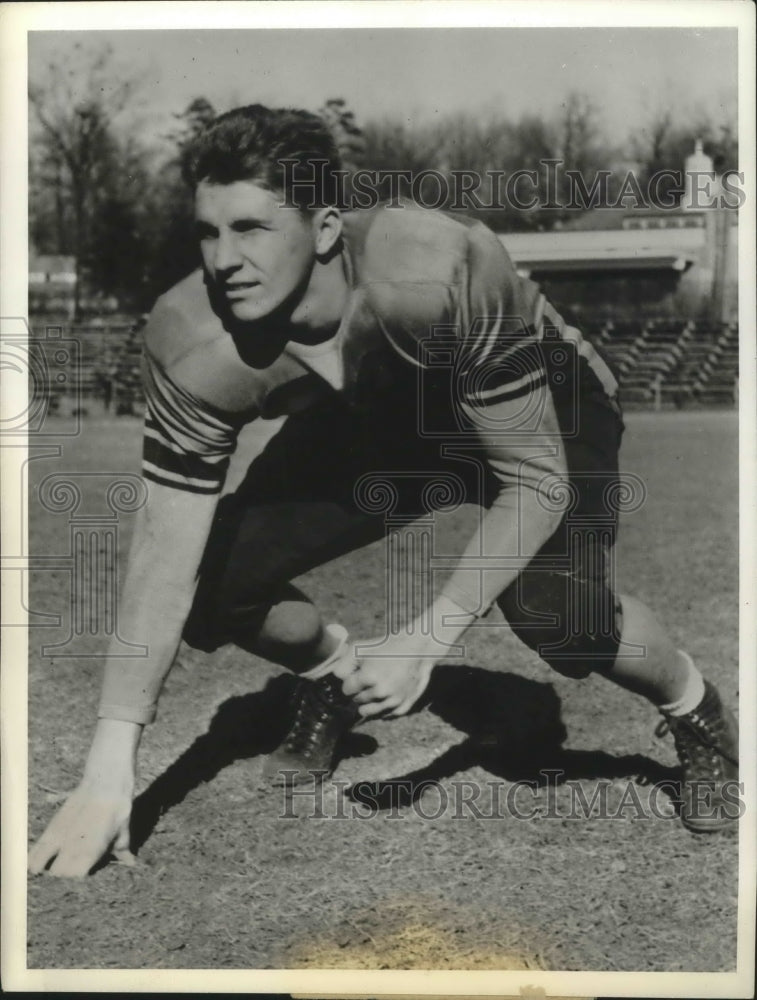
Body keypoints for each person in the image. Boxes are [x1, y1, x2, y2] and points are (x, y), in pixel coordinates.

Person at [28, 105, 739, 878]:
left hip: (541, 405)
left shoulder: (435, 266)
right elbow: (163, 556)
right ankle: (337, 677)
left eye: (252, 229)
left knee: (556, 613)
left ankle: (694, 708)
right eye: (208, 231)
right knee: (214, 581)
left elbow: (534, 479)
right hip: (380, 416)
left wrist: (426, 639)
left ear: (326, 226)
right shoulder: (188, 340)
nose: (223, 259)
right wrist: (108, 767)